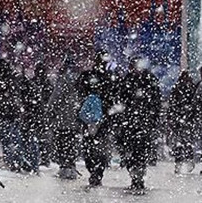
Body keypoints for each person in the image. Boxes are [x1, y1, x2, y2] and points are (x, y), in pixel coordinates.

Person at [116, 57, 161, 193]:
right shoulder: (128, 80)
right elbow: (121, 99)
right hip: (130, 122)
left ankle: (138, 178)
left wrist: (152, 118)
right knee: (129, 151)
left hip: (143, 122)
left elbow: (155, 101)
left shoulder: (149, 80)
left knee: (140, 151)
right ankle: (135, 176)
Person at [77, 52, 115, 187]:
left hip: (90, 119)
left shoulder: (88, 76)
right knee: (98, 148)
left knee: (90, 147)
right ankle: (97, 172)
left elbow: (79, 93)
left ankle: (94, 171)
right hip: (101, 119)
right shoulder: (108, 78)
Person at [48, 57, 81, 180]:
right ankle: (71, 166)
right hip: (75, 119)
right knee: (72, 143)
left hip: (63, 119)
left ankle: (65, 167)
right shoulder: (79, 79)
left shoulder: (63, 80)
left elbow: (55, 99)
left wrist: (50, 110)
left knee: (62, 143)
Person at [168, 70, 196, 173]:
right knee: (185, 142)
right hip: (184, 119)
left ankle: (181, 162)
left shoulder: (178, 88)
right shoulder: (190, 88)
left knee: (181, 142)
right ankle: (185, 161)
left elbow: (172, 104)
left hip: (181, 119)